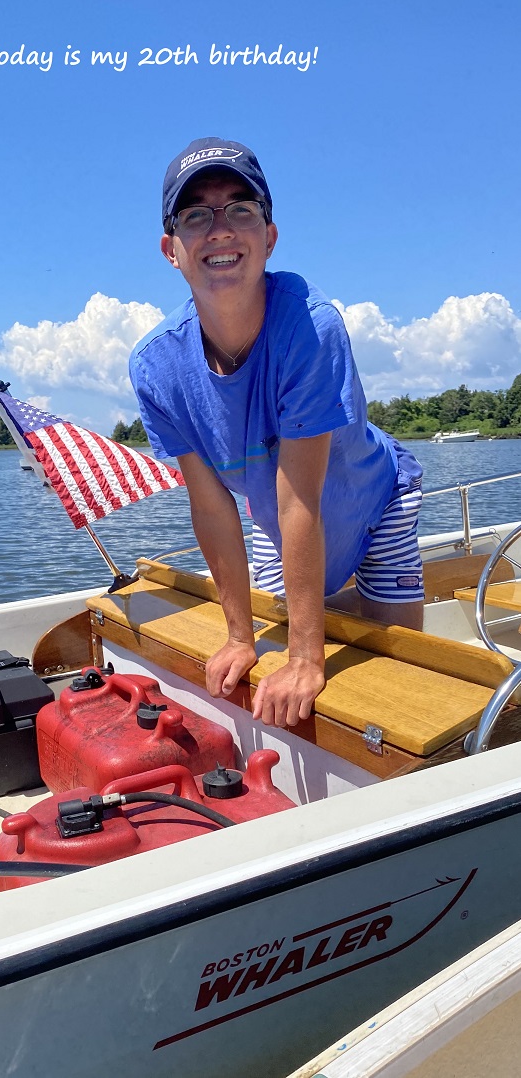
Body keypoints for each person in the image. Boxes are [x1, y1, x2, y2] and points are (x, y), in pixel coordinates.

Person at [129, 137, 424, 729]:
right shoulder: (156, 367)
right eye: (195, 215)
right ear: (171, 250)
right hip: (276, 521)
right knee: (273, 637)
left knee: (399, 671)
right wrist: (239, 637)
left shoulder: (311, 328)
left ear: (270, 235)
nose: (220, 229)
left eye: (241, 209)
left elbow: (300, 496)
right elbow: (211, 505)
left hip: (376, 500)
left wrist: (306, 658)